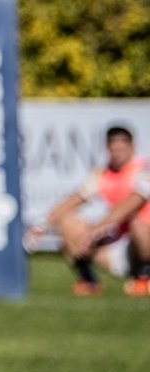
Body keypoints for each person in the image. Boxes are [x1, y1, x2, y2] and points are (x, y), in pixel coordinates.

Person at [28, 126, 150, 296]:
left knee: (140, 225)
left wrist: (99, 228)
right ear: (107, 149)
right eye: (113, 148)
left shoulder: (143, 169)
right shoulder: (102, 173)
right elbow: (75, 199)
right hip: (117, 243)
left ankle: (144, 278)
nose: (117, 152)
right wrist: (42, 224)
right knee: (68, 224)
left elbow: (133, 202)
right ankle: (88, 281)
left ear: (132, 147)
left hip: (141, 242)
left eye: (122, 148)